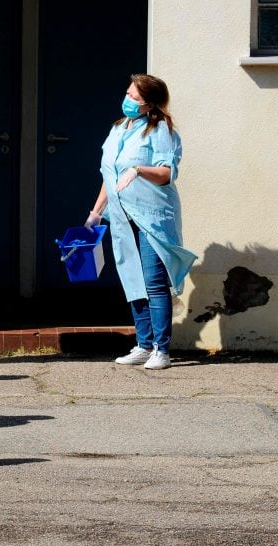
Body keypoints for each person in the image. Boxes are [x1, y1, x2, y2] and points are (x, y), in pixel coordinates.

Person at [85, 74, 197, 370]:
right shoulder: (119, 128)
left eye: (135, 98)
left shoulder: (160, 130)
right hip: (122, 215)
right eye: (128, 94)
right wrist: (96, 213)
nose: (128, 101)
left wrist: (138, 169)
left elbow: (166, 173)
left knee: (154, 282)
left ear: (150, 103)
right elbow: (109, 176)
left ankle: (162, 349)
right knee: (132, 279)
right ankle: (144, 345)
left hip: (152, 215)